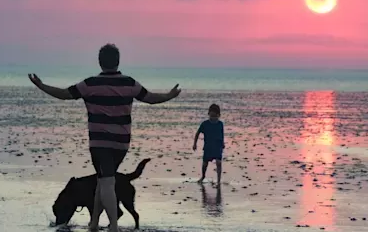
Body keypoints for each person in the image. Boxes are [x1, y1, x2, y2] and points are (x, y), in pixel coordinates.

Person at [28, 43, 181, 232]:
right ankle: (93, 224)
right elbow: (151, 98)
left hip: (100, 143)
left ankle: (114, 227)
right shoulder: (130, 83)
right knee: (103, 181)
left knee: (106, 182)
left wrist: (41, 85)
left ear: (100, 62)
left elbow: (63, 94)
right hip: (121, 144)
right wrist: (170, 95)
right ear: (118, 62)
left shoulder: (90, 84)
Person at [192, 104, 225, 186]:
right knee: (205, 164)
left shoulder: (220, 124)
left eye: (215, 116)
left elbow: (222, 134)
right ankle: (203, 176)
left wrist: (223, 143)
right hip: (208, 147)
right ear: (208, 114)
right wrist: (195, 144)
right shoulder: (205, 124)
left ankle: (218, 181)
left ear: (219, 115)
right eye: (211, 116)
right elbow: (197, 133)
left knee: (219, 162)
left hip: (218, 146)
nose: (213, 118)